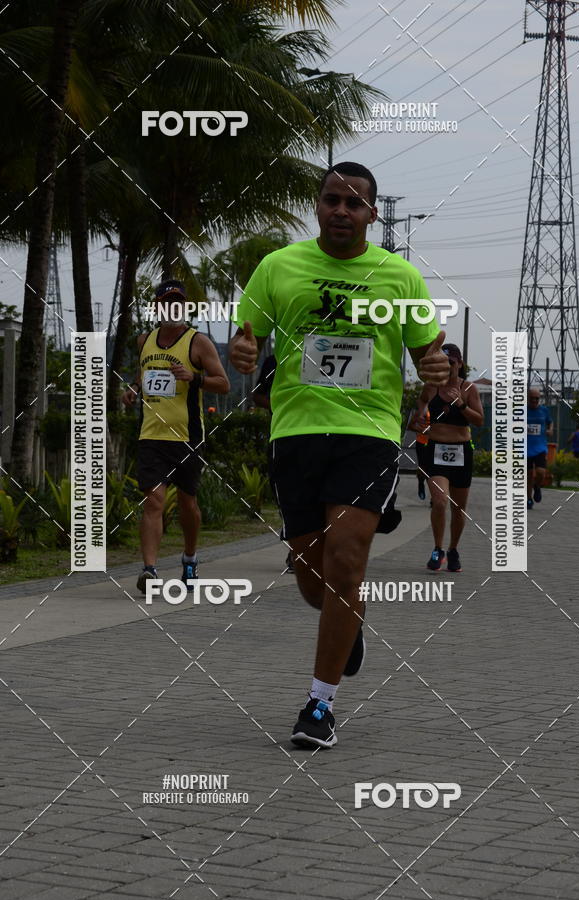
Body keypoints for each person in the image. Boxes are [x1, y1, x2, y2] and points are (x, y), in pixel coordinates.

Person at [229, 161, 450, 748]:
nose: (342, 211)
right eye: (332, 200)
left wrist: (433, 371)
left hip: (369, 433)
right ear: (318, 206)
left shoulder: (399, 277)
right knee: (312, 579)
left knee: (348, 559)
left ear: (372, 214)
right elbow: (245, 334)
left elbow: (431, 352)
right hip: (295, 433)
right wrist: (245, 350)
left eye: (355, 204)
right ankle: (345, 624)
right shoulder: (280, 267)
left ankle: (320, 705)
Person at [122, 280, 230, 594]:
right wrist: (132, 391)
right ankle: (150, 570)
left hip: (187, 436)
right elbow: (144, 376)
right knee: (153, 501)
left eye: (178, 303)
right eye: (167, 302)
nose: (173, 308)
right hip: (151, 435)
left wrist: (193, 377)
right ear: (156, 308)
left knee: (188, 503)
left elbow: (222, 383)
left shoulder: (199, 343)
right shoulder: (144, 340)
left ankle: (190, 557)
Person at [413, 343, 483, 573]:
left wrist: (461, 405)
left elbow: (479, 420)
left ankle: (453, 550)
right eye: (443, 363)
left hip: (461, 451)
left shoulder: (469, 388)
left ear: (459, 364)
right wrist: (422, 416)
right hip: (436, 450)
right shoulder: (432, 386)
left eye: (451, 363)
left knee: (458, 509)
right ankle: (437, 549)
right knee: (440, 501)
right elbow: (422, 402)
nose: (448, 367)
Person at [252, 354, 294, 573]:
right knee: (287, 493)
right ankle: (297, 547)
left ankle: (304, 550)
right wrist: (280, 407)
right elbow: (257, 395)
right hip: (285, 433)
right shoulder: (276, 359)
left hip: (330, 432)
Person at [526, 387, 553, 509]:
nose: (535, 401)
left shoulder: (544, 410)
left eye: (537, 398)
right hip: (525, 447)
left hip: (540, 446)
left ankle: (537, 487)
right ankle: (528, 499)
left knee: (541, 473)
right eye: (532, 398)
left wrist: (550, 430)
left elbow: (550, 422)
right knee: (529, 474)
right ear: (528, 398)